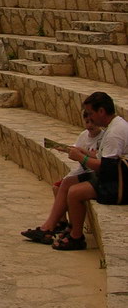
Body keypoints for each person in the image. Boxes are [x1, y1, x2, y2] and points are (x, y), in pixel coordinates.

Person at [53, 91, 128, 251]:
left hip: (117, 184)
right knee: (68, 182)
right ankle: (59, 227)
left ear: (101, 111)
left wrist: (81, 158)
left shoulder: (115, 133)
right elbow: (102, 159)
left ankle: (76, 237)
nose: (89, 118)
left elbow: (106, 167)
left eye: (91, 113)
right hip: (113, 176)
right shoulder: (113, 126)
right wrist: (81, 152)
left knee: (74, 193)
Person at [21, 107, 103, 244]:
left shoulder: (103, 137)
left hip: (91, 173)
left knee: (71, 190)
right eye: (87, 122)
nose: (90, 125)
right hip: (82, 171)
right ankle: (61, 223)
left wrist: (81, 153)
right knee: (57, 187)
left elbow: (99, 158)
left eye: (92, 122)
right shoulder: (84, 135)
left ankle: (64, 229)